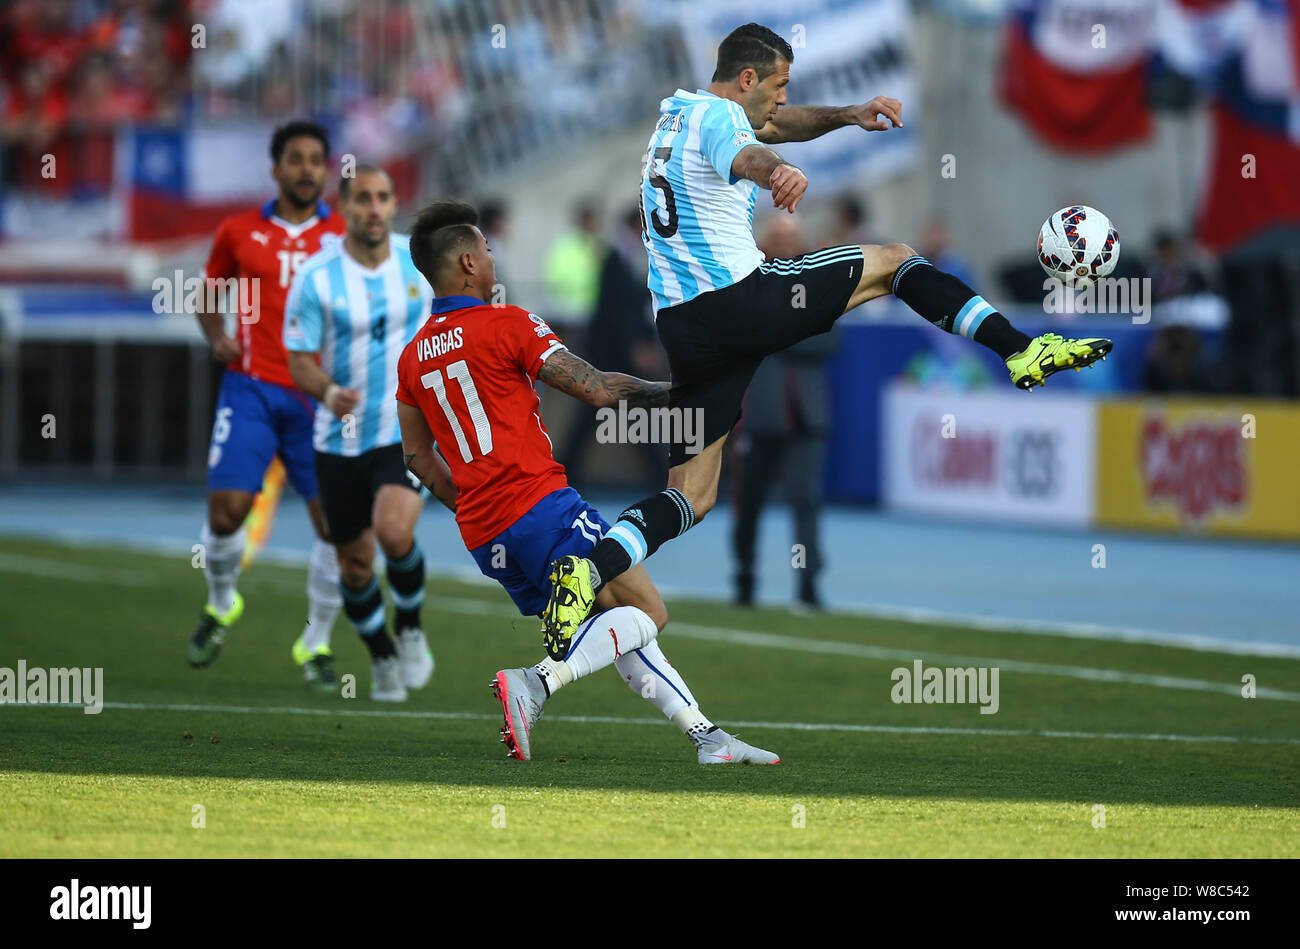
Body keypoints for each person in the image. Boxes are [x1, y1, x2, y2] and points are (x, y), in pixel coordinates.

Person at [540, 22, 1113, 653]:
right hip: (740, 299)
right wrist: (776, 173)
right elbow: (753, 151)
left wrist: (847, 115)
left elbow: (774, 129)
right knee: (895, 261)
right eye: (780, 86)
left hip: (684, 326)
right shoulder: (720, 118)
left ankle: (587, 567)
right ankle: (1021, 348)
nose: (783, 99)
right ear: (748, 79)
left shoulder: (677, 116)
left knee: (694, 494)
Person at [395, 200, 777, 764]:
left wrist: (468, 502)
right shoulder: (509, 323)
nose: (495, 261)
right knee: (647, 614)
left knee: (613, 620)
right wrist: (680, 392)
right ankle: (536, 683)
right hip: (540, 506)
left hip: (484, 533)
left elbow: (416, 458)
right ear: (470, 263)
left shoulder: (411, 359)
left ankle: (707, 737)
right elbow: (595, 388)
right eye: (489, 251)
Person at [188, 120, 345, 691]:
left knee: (334, 525)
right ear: (275, 168)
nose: (306, 169)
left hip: (318, 397)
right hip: (251, 385)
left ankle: (317, 640)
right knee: (227, 509)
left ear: (325, 171)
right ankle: (223, 601)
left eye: (315, 160)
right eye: (296, 159)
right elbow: (209, 296)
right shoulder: (238, 231)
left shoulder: (346, 236)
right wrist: (217, 336)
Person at [284, 165, 434, 702]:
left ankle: (411, 627)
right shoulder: (317, 276)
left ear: (394, 205)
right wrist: (326, 391)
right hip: (337, 439)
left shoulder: (417, 265)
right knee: (354, 563)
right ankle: (383, 658)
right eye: (363, 198)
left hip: (404, 428)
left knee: (394, 534)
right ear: (343, 207)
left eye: (383, 198)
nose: (374, 208)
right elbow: (299, 358)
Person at [732, 216, 835, 610]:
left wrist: (781, 332)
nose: (788, 245)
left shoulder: (817, 285)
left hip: (805, 415)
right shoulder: (748, 283)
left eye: (792, 238)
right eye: (779, 239)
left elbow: (829, 342)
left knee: (805, 501)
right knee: (749, 501)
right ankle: (744, 576)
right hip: (759, 413)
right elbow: (741, 338)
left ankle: (808, 585)